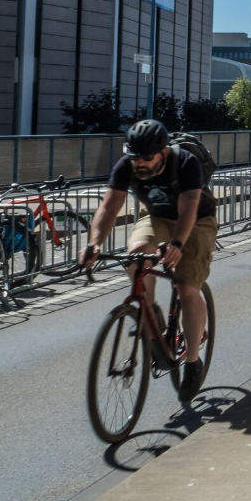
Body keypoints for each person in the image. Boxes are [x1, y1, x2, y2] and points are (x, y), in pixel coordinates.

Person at [81, 119, 217, 400]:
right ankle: (150, 317)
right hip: (157, 216)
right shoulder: (126, 166)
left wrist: (178, 244)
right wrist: (94, 244)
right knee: (136, 256)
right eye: (134, 156)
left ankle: (192, 361)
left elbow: (189, 205)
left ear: (163, 152)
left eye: (146, 157)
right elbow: (109, 206)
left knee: (186, 286)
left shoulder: (186, 163)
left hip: (197, 220)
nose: (140, 163)